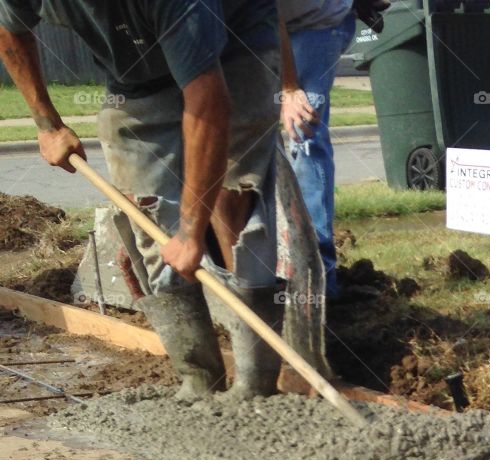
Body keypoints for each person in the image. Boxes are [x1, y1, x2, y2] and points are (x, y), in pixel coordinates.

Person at [0, 0, 285, 402]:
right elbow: (9, 29)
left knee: (231, 204)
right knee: (145, 212)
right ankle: (199, 379)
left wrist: (190, 232)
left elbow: (208, 101)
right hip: (136, 74)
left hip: (233, 51)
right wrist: (47, 124)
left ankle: (256, 387)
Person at [278, 0, 385, 301]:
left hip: (317, 24)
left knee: (304, 133)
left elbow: (270, 13)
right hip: (270, 26)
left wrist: (289, 88)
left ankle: (319, 275)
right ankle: (272, 266)